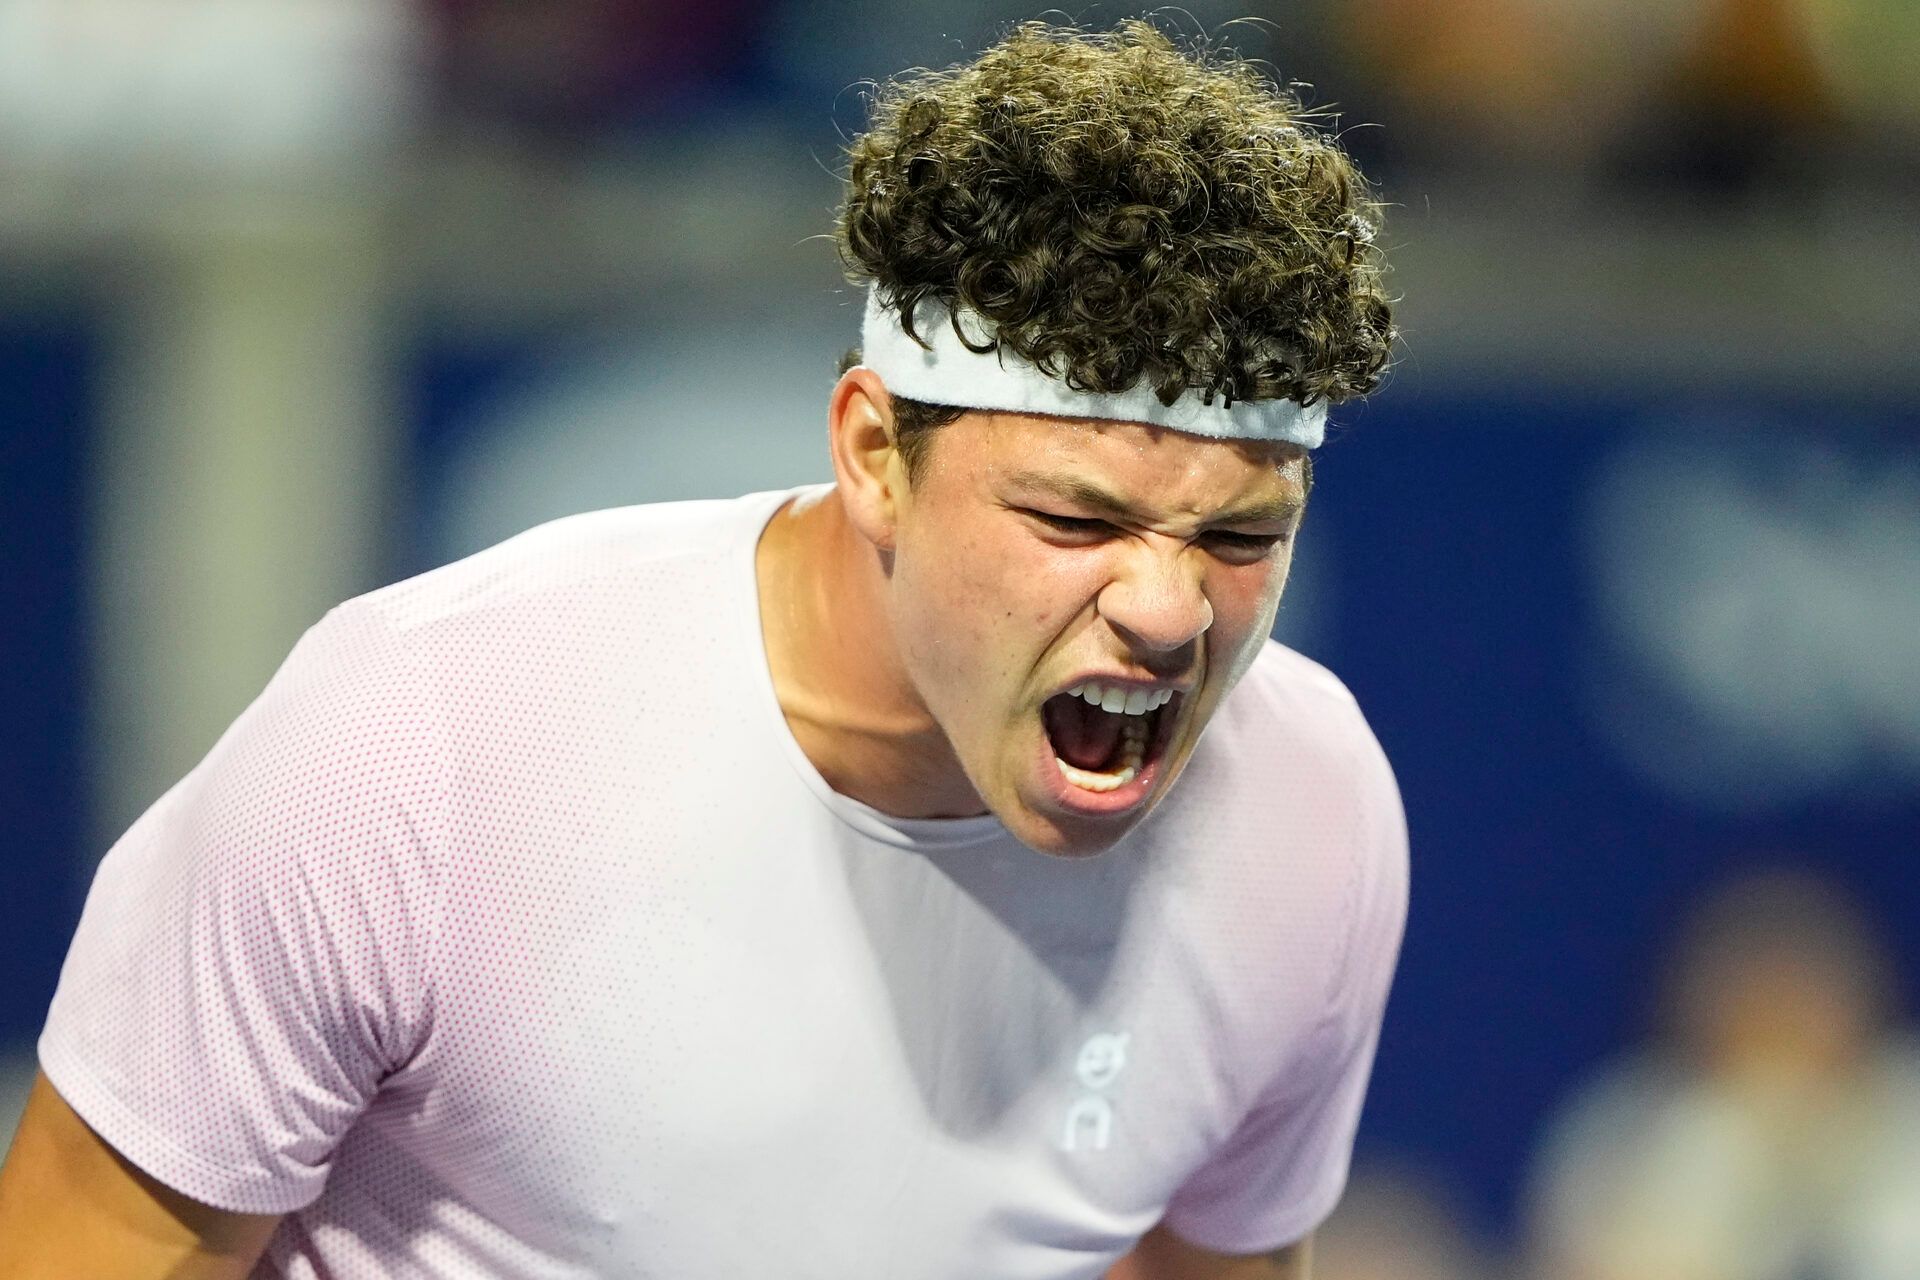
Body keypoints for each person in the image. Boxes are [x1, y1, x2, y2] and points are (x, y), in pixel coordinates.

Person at [0, 21, 1405, 1280]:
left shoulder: (1310, 812)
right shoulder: (410, 746)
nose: (1168, 614)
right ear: (874, 455)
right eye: (1071, 517)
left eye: (1237, 540)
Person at [1522, 868, 1920, 1280]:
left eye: (1803, 979)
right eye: (1750, 980)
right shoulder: (1622, 1123)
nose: (1780, 1007)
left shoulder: (1908, 1099)